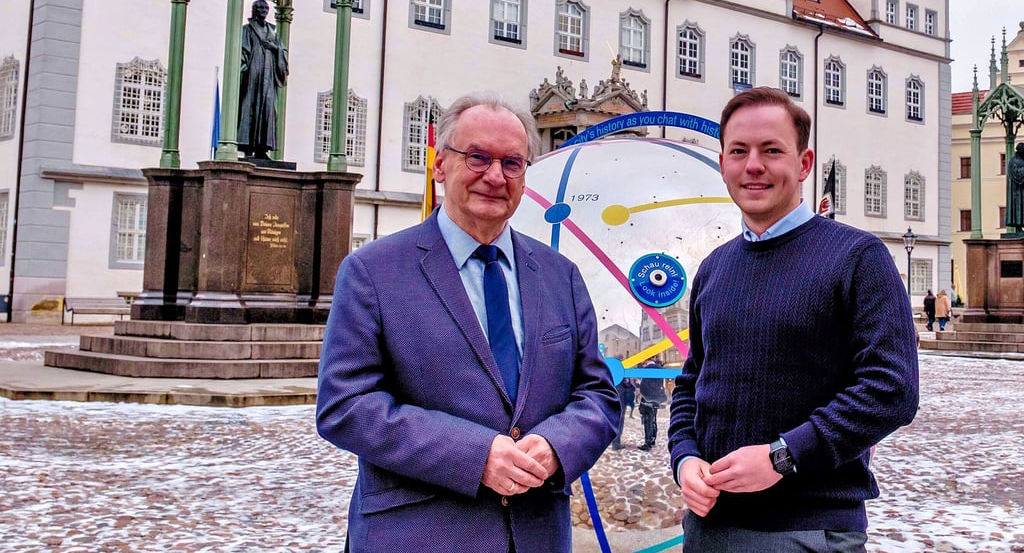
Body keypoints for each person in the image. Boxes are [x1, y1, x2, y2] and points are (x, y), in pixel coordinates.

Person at [316, 91, 620, 553]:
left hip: (537, 534)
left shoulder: (561, 275)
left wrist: (557, 444)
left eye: (512, 163)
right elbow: (346, 405)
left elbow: (597, 394)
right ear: (440, 165)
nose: (495, 177)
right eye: (477, 157)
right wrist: (475, 456)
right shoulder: (372, 272)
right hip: (420, 535)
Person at [667, 87, 919, 552]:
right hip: (707, 528)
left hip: (809, 531)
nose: (753, 165)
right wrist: (684, 459)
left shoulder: (858, 258)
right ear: (723, 163)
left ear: (803, 164)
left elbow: (892, 390)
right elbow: (691, 384)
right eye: (739, 151)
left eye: (771, 150)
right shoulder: (714, 268)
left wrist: (783, 457)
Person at [238, 0, 288, 159]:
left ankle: (262, 148)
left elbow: (283, 51)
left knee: (268, 108)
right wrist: (243, 70)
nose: (264, 10)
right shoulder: (247, 30)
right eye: (260, 8)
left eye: (266, 8)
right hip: (253, 75)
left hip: (268, 76)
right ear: (254, 10)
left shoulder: (273, 31)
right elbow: (242, 53)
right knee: (250, 106)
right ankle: (247, 147)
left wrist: (275, 49)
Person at [637, 360, 668, 451]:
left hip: (647, 399)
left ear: (646, 361)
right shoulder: (660, 368)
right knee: (654, 419)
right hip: (656, 399)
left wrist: (642, 392)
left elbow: (644, 386)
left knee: (647, 421)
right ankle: (653, 439)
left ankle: (648, 443)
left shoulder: (646, 369)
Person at [1007, 142, 1024, 228]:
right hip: (1017, 190)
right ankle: (1018, 227)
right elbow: (1016, 174)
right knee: (1018, 207)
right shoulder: (1013, 161)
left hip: (1022, 189)